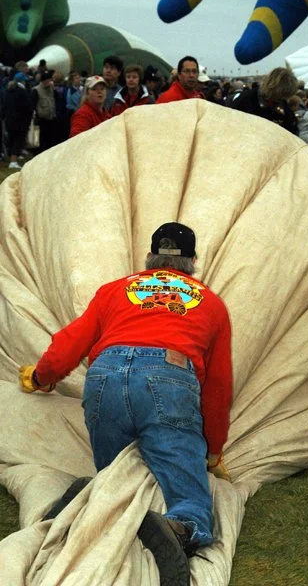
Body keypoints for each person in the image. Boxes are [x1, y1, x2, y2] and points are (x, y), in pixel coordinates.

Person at [18, 222, 232, 586]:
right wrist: (212, 450)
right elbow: (218, 386)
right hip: (169, 375)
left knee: (117, 473)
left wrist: (41, 376)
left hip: (105, 376)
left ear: (150, 257)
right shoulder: (211, 303)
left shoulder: (115, 290)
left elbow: (70, 343)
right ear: (193, 262)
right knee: (189, 494)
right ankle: (181, 528)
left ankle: (90, 504)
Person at [229, 66, 299, 135]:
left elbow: (292, 131)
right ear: (272, 87)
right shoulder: (246, 99)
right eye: (280, 95)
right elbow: (231, 124)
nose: (281, 99)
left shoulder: (285, 108)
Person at [3, 72, 33, 169]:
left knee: (11, 139)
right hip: (20, 121)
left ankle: (13, 157)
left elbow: (4, 106)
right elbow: (28, 107)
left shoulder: (8, 90)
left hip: (9, 120)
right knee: (18, 140)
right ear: (22, 81)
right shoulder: (22, 92)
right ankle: (13, 161)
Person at [32, 70, 57, 152]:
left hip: (51, 118)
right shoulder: (36, 90)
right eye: (48, 80)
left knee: (50, 140)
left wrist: (54, 88)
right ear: (43, 81)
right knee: (41, 141)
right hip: (42, 119)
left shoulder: (51, 89)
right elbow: (33, 105)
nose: (50, 82)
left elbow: (57, 98)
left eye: (50, 80)